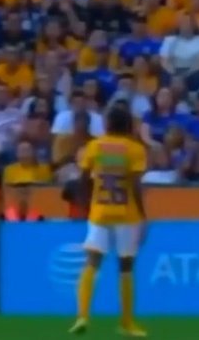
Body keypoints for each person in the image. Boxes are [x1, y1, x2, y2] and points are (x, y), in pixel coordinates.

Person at [70, 106, 148, 337]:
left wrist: (85, 205)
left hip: (100, 212)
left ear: (107, 125)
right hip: (127, 214)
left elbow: (83, 179)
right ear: (128, 126)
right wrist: (143, 215)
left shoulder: (94, 147)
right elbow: (135, 185)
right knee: (126, 266)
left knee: (91, 263)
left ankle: (82, 316)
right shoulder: (135, 150)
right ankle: (126, 322)